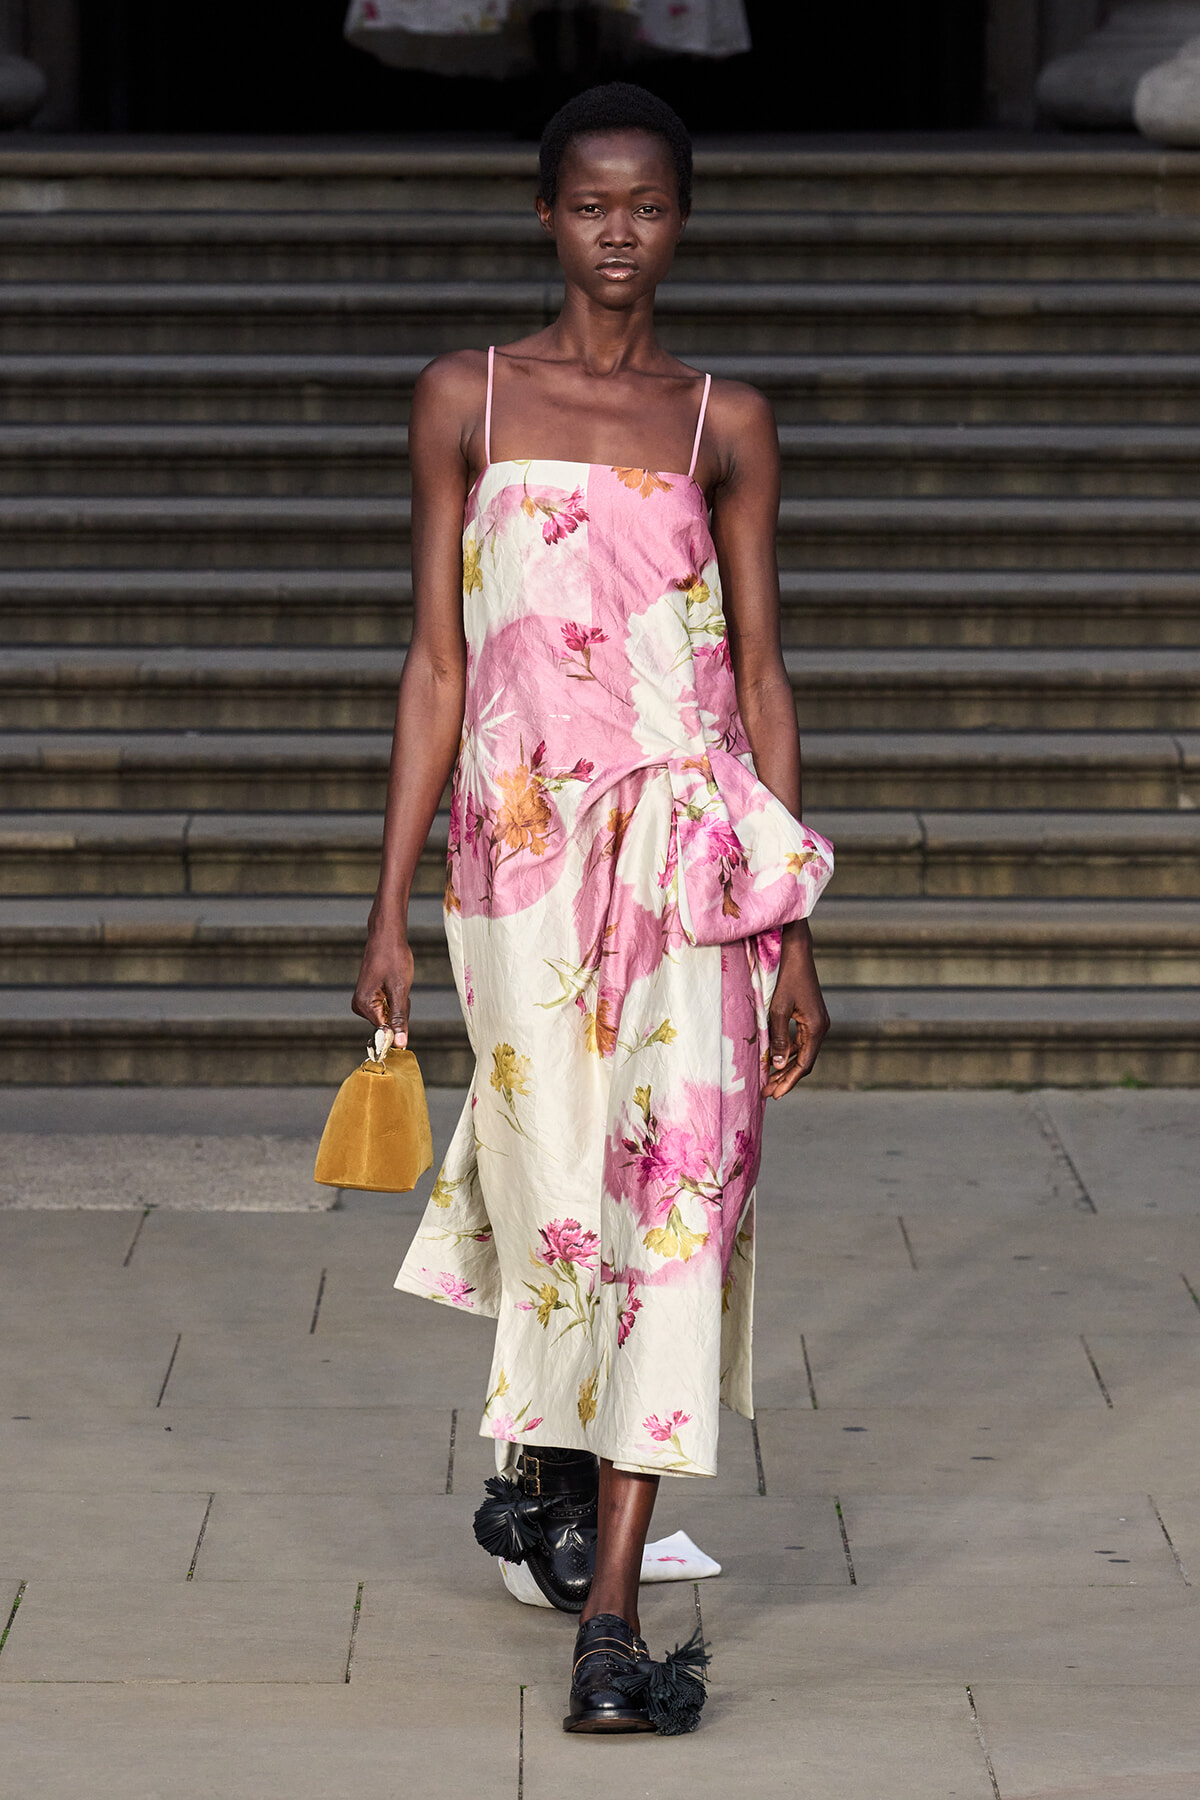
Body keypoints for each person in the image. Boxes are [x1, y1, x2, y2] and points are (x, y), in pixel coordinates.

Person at [353, 80, 834, 1735]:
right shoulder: (465, 400)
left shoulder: (728, 423)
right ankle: (549, 1479)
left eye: (649, 207)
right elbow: (436, 663)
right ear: (546, 218)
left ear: (681, 223)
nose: (619, 233)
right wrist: (387, 905)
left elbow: (762, 673)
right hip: (520, 873)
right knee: (562, 1197)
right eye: (591, 206)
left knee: (674, 1219)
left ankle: (611, 1628)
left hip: (690, 866)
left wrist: (791, 932)